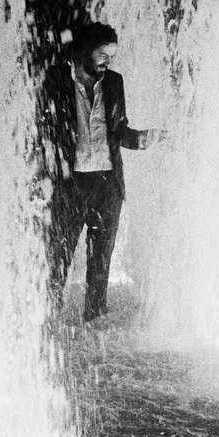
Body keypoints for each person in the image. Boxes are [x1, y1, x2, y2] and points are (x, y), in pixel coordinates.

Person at [40, 21, 167, 322]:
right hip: (71, 185)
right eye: (103, 54)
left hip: (107, 187)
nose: (108, 62)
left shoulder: (113, 82)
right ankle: (45, 319)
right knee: (58, 258)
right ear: (85, 50)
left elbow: (119, 132)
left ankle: (94, 319)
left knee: (101, 265)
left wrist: (151, 138)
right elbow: (43, 131)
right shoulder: (56, 79)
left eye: (111, 56)